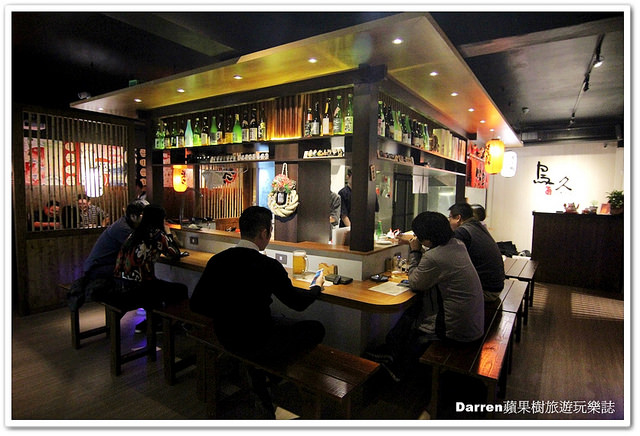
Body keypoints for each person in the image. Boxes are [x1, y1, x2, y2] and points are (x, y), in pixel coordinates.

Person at [190, 205, 325, 417]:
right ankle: (273, 375)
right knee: (316, 329)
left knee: (276, 322)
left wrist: (228, 313)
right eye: (270, 230)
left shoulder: (218, 260)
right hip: (258, 340)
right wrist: (316, 287)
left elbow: (197, 304)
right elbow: (298, 303)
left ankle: (261, 378)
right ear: (264, 232)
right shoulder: (268, 265)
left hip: (226, 336)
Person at [365, 211, 484, 382]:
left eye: (418, 236)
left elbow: (415, 282)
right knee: (413, 311)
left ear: (427, 239)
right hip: (472, 321)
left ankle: (398, 368)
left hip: (456, 329)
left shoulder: (435, 256)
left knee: (416, 323)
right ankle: (391, 350)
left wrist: (415, 252)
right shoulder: (457, 244)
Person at [112, 204, 188, 332]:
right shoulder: (156, 234)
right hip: (138, 288)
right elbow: (174, 253)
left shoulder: (134, 234)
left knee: (157, 285)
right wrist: (168, 233)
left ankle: (154, 321)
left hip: (120, 283)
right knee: (180, 289)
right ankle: (168, 325)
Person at [448, 202, 505, 305]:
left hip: (486, 291)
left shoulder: (462, 232)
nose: (449, 221)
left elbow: (447, 258)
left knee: (440, 288)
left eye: (450, 218)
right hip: (495, 287)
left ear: (458, 218)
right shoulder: (478, 226)